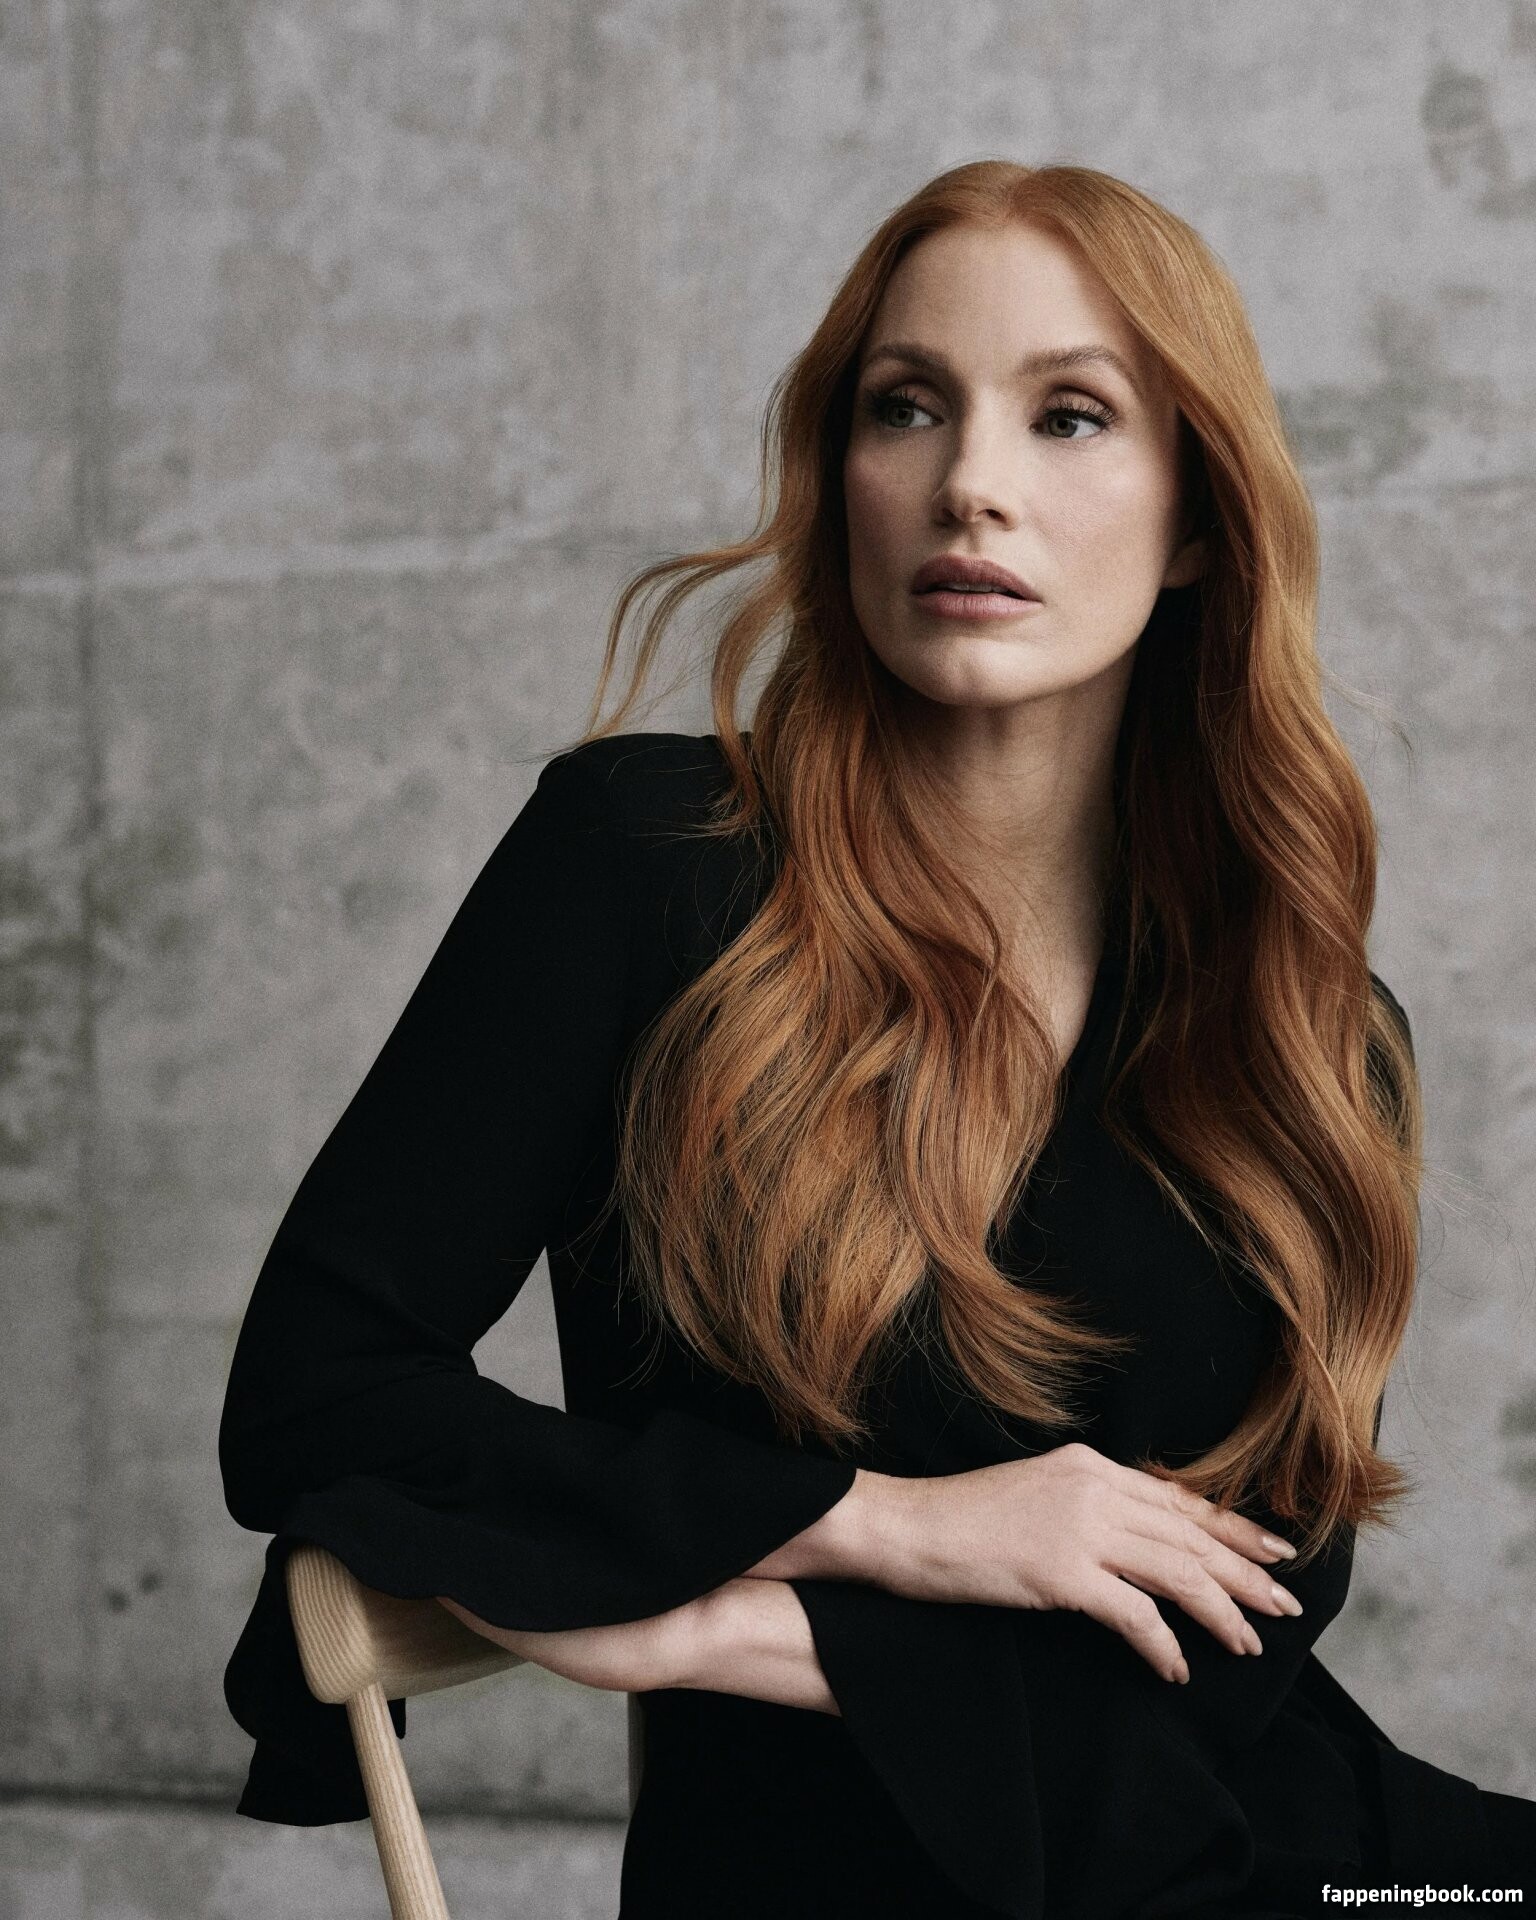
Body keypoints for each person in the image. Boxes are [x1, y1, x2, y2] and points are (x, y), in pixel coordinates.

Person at [218, 160, 1536, 1918]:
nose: (969, 482)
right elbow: (314, 1403)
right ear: (841, 475)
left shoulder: (1307, 1032)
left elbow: (1236, 1644)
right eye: (906, 406)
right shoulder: (651, 870)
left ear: (1199, 524)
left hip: (1251, 1853)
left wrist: (724, 1629)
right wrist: (885, 1524)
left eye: (1069, 416)